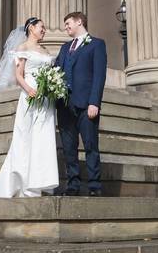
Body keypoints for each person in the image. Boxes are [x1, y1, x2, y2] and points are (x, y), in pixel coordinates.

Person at [0, 17, 59, 206]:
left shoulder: (45, 51)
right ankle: (18, 183)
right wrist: (29, 89)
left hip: (45, 99)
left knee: (43, 138)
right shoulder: (23, 48)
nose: (44, 30)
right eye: (42, 27)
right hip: (29, 96)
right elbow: (18, 75)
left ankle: (37, 184)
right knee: (24, 138)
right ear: (31, 28)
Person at [54, 11, 107, 197]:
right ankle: (73, 184)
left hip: (86, 105)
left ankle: (94, 185)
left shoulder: (97, 44)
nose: (66, 27)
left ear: (79, 21)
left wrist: (95, 102)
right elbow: (56, 71)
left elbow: (99, 76)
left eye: (68, 23)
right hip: (64, 106)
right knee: (69, 147)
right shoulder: (64, 48)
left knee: (91, 145)